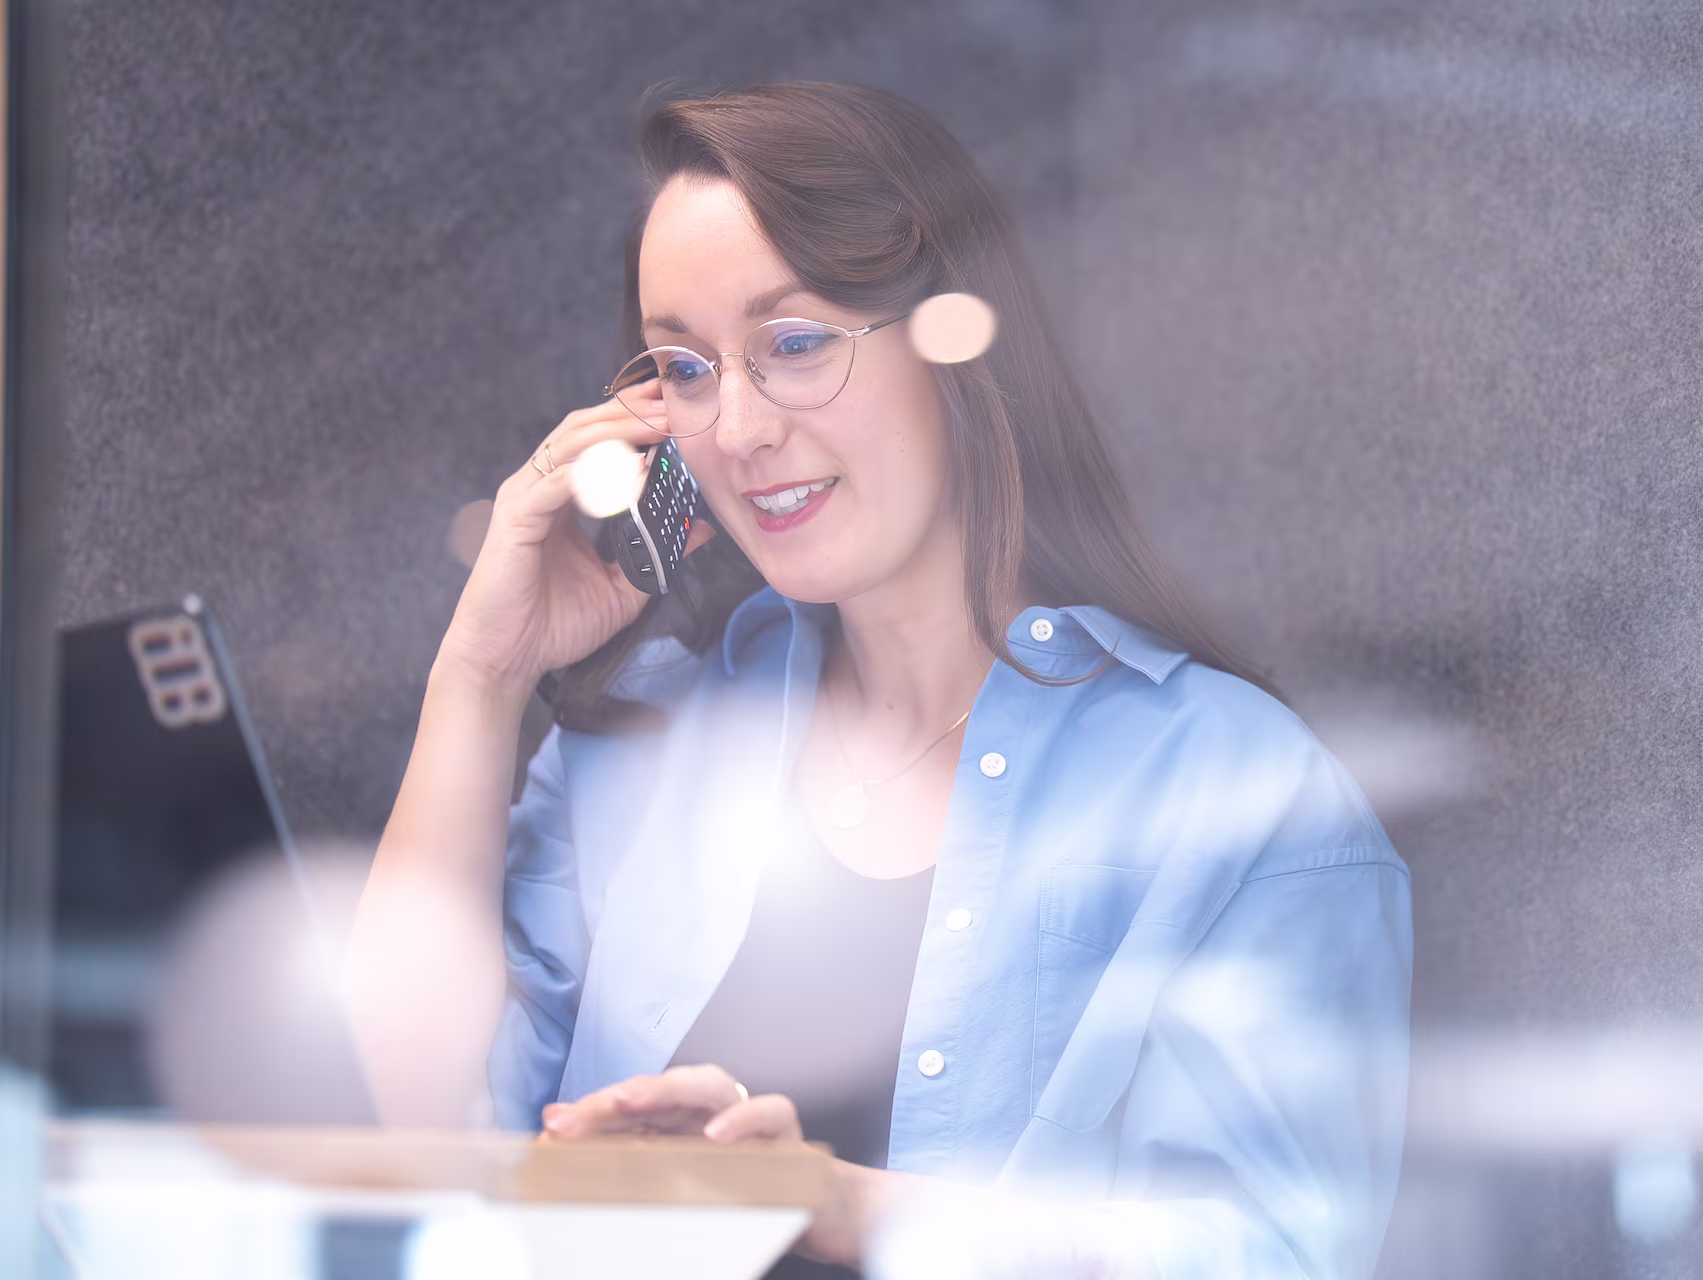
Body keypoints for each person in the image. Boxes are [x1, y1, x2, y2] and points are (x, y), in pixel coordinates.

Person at [344, 81, 1412, 1279]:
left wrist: (835, 1208)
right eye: (687, 370)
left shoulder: (1241, 791)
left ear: (953, 336)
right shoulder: (640, 740)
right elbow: (410, 1125)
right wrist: (480, 673)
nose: (736, 429)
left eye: (792, 345)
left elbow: (1271, 1253)